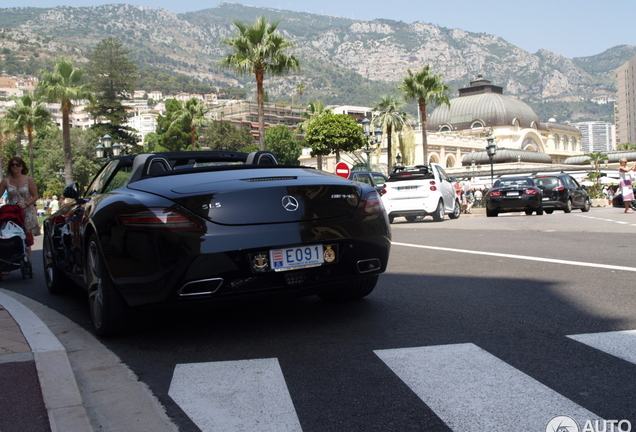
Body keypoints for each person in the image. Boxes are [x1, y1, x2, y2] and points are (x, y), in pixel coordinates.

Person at [0, 157, 40, 259]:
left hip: (26, 211)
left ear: (22, 167)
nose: (15, 167)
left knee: (26, 237)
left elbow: (35, 196)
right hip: (12, 211)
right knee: (9, 236)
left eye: (17, 164)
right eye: (12, 165)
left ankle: (27, 261)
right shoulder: (5, 181)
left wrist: (26, 204)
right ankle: (8, 262)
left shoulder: (28, 180)